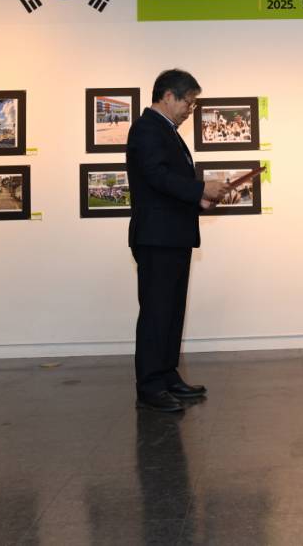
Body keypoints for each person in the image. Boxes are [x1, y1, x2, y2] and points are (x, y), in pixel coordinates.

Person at [126, 69, 227, 413]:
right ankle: (150, 387)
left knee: (171, 311)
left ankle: (167, 375)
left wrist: (199, 201)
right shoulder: (147, 128)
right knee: (157, 312)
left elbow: (166, 185)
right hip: (157, 237)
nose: (190, 110)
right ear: (168, 95)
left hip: (172, 234)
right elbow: (156, 176)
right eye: (189, 102)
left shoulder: (166, 130)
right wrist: (200, 188)